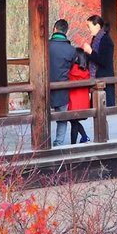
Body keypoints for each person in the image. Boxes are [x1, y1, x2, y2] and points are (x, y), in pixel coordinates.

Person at [48, 19, 77, 147]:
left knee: (42, 116)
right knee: (62, 118)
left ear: (54, 29)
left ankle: (42, 142)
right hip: (63, 87)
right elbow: (71, 68)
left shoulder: (45, 46)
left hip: (44, 87)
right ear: (66, 31)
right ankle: (59, 143)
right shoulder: (71, 50)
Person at [82, 14, 116, 107]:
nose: (88, 29)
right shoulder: (95, 39)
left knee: (103, 107)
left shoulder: (106, 40)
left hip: (104, 78)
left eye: (89, 26)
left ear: (97, 26)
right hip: (96, 78)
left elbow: (103, 61)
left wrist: (90, 52)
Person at [68, 49, 91, 144]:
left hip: (73, 101)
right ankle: (84, 137)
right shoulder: (87, 72)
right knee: (74, 122)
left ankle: (74, 143)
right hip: (84, 102)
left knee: (73, 121)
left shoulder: (71, 71)